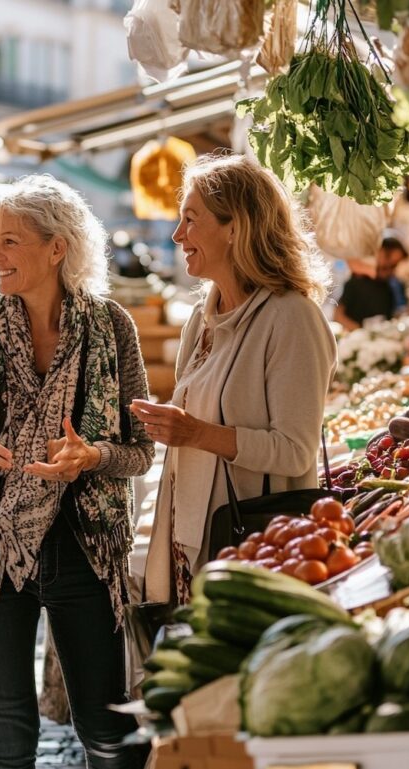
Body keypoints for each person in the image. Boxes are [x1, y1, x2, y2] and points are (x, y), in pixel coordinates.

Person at [0, 174, 154, 769]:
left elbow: (141, 451)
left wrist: (94, 457)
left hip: (87, 552)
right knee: (8, 732)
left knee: (108, 729)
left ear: (58, 247)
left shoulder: (112, 329)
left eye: (10, 241)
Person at [131, 153, 337, 605]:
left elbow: (295, 449)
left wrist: (196, 433)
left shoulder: (292, 318)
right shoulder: (202, 319)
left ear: (235, 227)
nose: (177, 235)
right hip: (191, 540)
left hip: (254, 546)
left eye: (190, 219)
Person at [334, 235, 409, 330]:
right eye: (388, 258)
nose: (390, 269)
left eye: (394, 265)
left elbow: (391, 317)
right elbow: (338, 316)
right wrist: (360, 331)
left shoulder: (390, 285)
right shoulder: (356, 281)